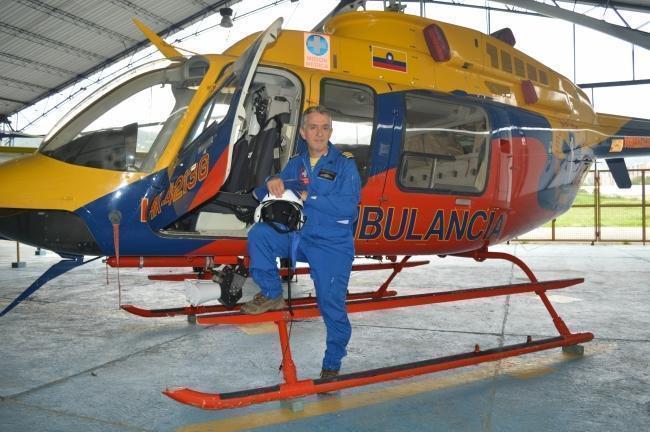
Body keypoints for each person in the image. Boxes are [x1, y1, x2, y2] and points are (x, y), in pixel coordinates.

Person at [242, 105, 361, 379]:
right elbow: (266, 191)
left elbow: (348, 207)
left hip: (332, 244)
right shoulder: (297, 162)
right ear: (304, 132)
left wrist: (312, 199)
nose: (320, 133)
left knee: (331, 306)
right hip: (299, 237)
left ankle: (332, 363)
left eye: (325, 127)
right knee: (260, 234)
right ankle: (272, 295)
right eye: (314, 127)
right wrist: (271, 180)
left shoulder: (344, 163)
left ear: (330, 131)